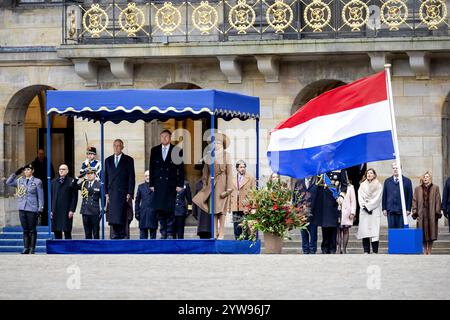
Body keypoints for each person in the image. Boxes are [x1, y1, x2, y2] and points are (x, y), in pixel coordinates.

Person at [193, 133, 233, 240]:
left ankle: (222, 232)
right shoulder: (209, 156)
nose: (216, 144)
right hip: (212, 185)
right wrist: (205, 185)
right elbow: (205, 172)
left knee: (222, 210)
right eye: (214, 143)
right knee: (213, 209)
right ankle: (215, 232)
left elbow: (230, 173)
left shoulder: (227, 155)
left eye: (218, 143)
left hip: (223, 184)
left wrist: (229, 187)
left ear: (222, 144)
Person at [149, 129, 185, 239]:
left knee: (170, 210)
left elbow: (181, 169)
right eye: (162, 136)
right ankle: (163, 232)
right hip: (158, 185)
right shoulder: (154, 150)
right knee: (160, 210)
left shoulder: (177, 150)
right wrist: (151, 184)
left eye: (166, 136)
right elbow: (151, 168)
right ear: (160, 137)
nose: (164, 138)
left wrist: (180, 184)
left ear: (170, 138)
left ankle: (170, 233)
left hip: (171, 184)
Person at [6, 163, 44, 254]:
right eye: (25, 170)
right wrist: (15, 173)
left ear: (32, 171)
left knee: (32, 229)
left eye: (28, 170)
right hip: (22, 207)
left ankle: (32, 248)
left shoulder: (37, 181)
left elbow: (40, 196)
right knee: (25, 229)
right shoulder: (20, 181)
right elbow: (8, 182)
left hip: (32, 208)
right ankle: (26, 248)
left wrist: (40, 208)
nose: (26, 171)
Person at [104, 139, 136, 239]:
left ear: (122, 147)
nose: (116, 147)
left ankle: (123, 234)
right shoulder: (108, 160)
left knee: (122, 214)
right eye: (115, 146)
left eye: (118, 146)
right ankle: (115, 234)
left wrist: (130, 193)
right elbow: (105, 177)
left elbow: (132, 177)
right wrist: (106, 193)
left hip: (123, 192)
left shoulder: (128, 159)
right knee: (113, 214)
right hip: (112, 192)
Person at [313, 170, 348, 254]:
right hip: (323, 201)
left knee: (333, 226)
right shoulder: (322, 167)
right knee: (324, 226)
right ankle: (324, 247)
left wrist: (341, 196)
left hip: (334, 201)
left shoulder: (340, 168)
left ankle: (333, 247)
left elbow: (344, 185)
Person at [412, 171, 442, 255]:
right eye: (424, 176)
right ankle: (424, 250)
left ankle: (429, 250)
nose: (425, 178)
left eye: (427, 176)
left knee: (431, 233)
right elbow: (414, 201)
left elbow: (438, 201)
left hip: (431, 214)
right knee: (422, 234)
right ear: (422, 178)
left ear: (430, 178)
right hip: (421, 214)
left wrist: (437, 213)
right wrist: (415, 213)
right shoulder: (417, 189)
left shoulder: (435, 188)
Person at [356, 169, 383, 254]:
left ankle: (375, 251)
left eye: (371, 173)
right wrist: (364, 206)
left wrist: (369, 206)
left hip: (374, 210)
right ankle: (366, 250)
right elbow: (360, 197)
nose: (369, 174)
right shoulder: (362, 185)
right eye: (368, 173)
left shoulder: (378, 185)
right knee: (365, 231)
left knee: (374, 231)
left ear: (374, 175)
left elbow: (378, 198)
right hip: (364, 211)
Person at [230, 160, 257, 240]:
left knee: (247, 228)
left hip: (246, 206)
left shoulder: (251, 178)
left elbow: (254, 193)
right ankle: (238, 245)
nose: (243, 169)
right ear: (237, 169)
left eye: (244, 167)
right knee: (237, 228)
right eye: (241, 167)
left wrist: (253, 207)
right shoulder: (232, 178)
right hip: (236, 206)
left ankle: (246, 245)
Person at [382, 161, 413, 228]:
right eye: (394, 168)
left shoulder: (407, 181)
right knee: (392, 231)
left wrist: (408, 209)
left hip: (402, 211)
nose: (395, 170)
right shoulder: (387, 181)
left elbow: (410, 196)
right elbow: (384, 195)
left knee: (401, 231)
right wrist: (384, 208)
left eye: (397, 168)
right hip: (390, 210)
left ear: (400, 169)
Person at [51, 164, 78, 240]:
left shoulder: (71, 181)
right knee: (57, 231)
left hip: (67, 210)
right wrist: (50, 210)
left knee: (67, 231)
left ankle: (68, 249)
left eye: (63, 169)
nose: (61, 171)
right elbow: (51, 197)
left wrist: (72, 210)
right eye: (60, 169)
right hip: (56, 210)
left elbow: (74, 197)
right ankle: (58, 250)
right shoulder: (53, 182)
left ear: (67, 171)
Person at [73, 168, 102, 239]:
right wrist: (78, 177)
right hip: (85, 211)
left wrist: (103, 208)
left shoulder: (99, 184)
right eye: (88, 174)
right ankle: (88, 248)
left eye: (91, 173)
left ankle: (96, 248)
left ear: (95, 175)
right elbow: (73, 186)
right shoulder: (83, 183)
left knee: (96, 232)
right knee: (87, 232)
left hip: (95, 211)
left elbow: (102, 198)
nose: (89, 175)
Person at [293, 176, 318, 254]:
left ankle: (313, 250)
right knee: (304, 233)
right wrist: (295, 209)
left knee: (313, 233)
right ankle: (305, 250)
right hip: (302, 213)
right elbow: (294, 196)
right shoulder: (298, 181)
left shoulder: (317, 181)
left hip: (314, 212)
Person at [31, 148, 55, 226]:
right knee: (36, 203)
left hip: (46, 187)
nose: (41, 155)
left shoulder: (48, 163)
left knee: (46, 204)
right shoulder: (33, 164)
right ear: (37, 154)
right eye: (39, 153)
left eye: (42, 153)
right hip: (35, 187)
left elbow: (53, 174)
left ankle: (46, 222)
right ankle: (36, 221)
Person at [135, 170, 157, 239]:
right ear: (144, 177)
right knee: (143, 237)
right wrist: (137, 212)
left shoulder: (156, 186)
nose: (148, 177)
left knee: (153, 237)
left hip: (153, 214)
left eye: (149, 176)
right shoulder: (140, 187)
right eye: (146, 176)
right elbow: (137, 201)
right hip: (143, 214)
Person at [337, 179, 356, 254]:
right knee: (338, 230)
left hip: (346, 212)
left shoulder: (350, 187)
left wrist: (352, 212)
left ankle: (344, 249)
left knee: (345, 230)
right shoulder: (335, 185)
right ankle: (338, 248)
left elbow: (353, 200)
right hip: (337, 211)